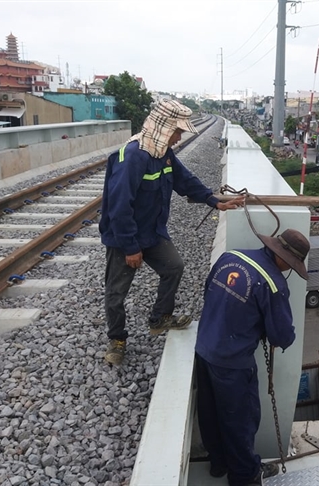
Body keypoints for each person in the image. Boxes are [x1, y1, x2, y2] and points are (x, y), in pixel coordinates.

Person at [99, 99, 246, 365]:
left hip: (152, 232)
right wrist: (131, 248)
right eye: (177, 131)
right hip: (125, 237)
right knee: (116, 292)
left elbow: (185, 180)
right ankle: (117, 339)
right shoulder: (133, 156)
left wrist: (215, 201)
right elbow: (119, 208)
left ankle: (160, 318)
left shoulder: (163, 154)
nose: (179, 137)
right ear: (164, 128)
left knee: (173, 267)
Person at [195, 228, 310, 486]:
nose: (288, 269)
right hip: (232, 362)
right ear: (282, 258)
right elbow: (281, 336)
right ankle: (245, 476)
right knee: (240, 420)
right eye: (291, 264)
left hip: (204, 347)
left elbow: (209, 292)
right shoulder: (272, 283)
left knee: (210, 411)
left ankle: (218, 463)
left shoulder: (230, 257)